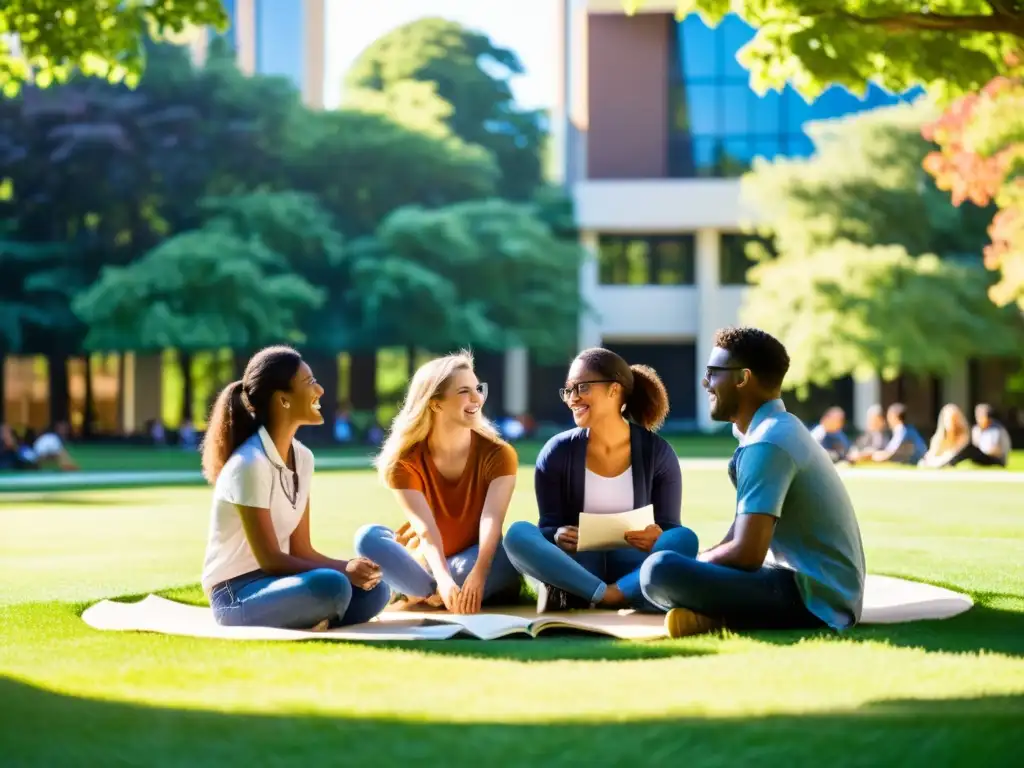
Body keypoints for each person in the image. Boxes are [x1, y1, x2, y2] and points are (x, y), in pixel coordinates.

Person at [639, 326, 866, 638]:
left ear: (742, 378)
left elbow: (747, 553)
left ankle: (713, 613)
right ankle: (711, 616)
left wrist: (699, 561)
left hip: (816, 600)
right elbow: (741, 534)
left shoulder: (768, 442)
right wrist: (703, 560)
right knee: (669, 556)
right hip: (802, 585)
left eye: (713, 373)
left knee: (658, 571)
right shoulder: (772, 430)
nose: (706, 383)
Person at [200, 345, 388, 630]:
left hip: (277, 583)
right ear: (283, 400)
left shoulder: (303, 458)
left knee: (376, 590)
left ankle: (314, 614)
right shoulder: (249, 464)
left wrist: (352, 567)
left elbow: (302, 550)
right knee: (333, 585)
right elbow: (271, 560)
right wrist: (342, 569)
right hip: (234, 594)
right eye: (310, 382)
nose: (321, 390)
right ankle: (315, 612)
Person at [502, 348, 699, 613]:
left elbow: (670, 529)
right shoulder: (556, 451)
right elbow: (548, 527)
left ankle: (610, 594)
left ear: (614, 390)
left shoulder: (658, 452)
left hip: (634, 563)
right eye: (568, 390)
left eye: (582, 387)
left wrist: (658, 535)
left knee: (684, 538)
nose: (572, 398)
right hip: (579, 563)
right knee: (517, 534)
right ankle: (615, 594)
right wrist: (558, 535)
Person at [354, 351, 522, 614]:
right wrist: (442, 579)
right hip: (429, 559)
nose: (477, 398)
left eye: (478, 389)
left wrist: (478, 573)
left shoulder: (499, 454)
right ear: (435, 404)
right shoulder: (404, 462)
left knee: (504, 558)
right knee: (367, 537)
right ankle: (432, 590)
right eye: (464, 391)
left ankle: (411, 591)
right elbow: (425, 530)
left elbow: (491, 520)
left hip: (475, 557)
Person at [922, 403, 1011, 468]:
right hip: (982, 457)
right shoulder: (977, 429)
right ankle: (946, 462)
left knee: (969, 449)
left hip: (996, 460)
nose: (978, 418)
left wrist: (980, 450)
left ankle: (947, 463)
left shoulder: (996, 429)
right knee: (970, 450)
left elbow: (997, 451)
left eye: (980, 416)